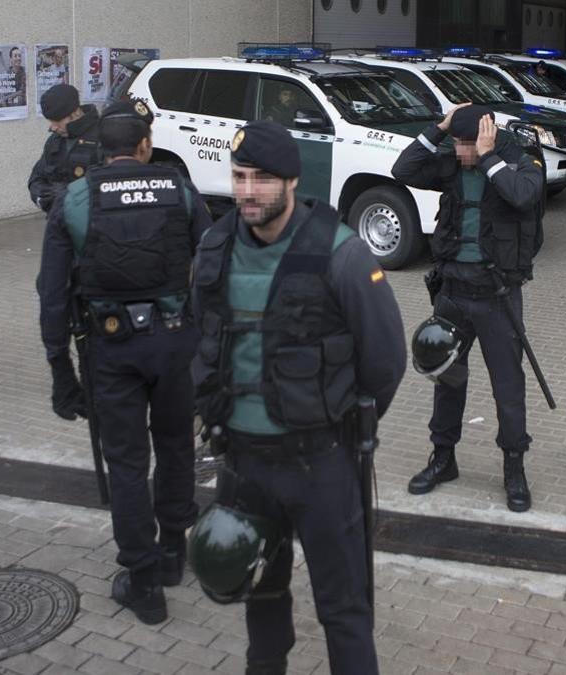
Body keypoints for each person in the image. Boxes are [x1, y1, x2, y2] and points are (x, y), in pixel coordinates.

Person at [189, 120, 405, 673]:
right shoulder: (213, 247)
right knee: (261, 595)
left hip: (322, 465)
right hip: (242, 465)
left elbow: (384, 362)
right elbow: (200, 338)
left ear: (290, 181)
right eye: (239, 177)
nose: (247, 191)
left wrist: (338, 420)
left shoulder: (343, 255)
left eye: (261, 179)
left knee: (345, 609)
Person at [36, 99, 211, 625]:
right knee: (177, 446)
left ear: (99, 150)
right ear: (144, 146)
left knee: (128, 464)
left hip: (110, 350)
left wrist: (60, 371)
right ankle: (174, 553)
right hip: (176, 344)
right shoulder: (179, 190)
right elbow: (215, 262)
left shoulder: (73, 199)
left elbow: (50, 294)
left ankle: (144, 584)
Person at [392, 103, 545, 513]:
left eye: (465, 144)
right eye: (456, 144)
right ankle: (443, 459)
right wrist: (441, 127)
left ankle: (514, 466)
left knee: (508, 387)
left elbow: (523, 195)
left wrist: (490, 155)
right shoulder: (453, 162)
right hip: (454, 293)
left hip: (498, 297)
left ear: (486, 137)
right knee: (448, 379)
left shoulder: (520, 162)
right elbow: (402, 171)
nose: (459, 152)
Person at [29, 84, 102, 212]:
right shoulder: (55, 140)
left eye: (57, 121)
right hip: (58, 222)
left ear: (75, 113)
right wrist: (41, 196)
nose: (53, 127)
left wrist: (67, 195)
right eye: (51, 121)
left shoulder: (103, 136)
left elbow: (111, 187)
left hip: (91, 222)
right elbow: (36, 178)